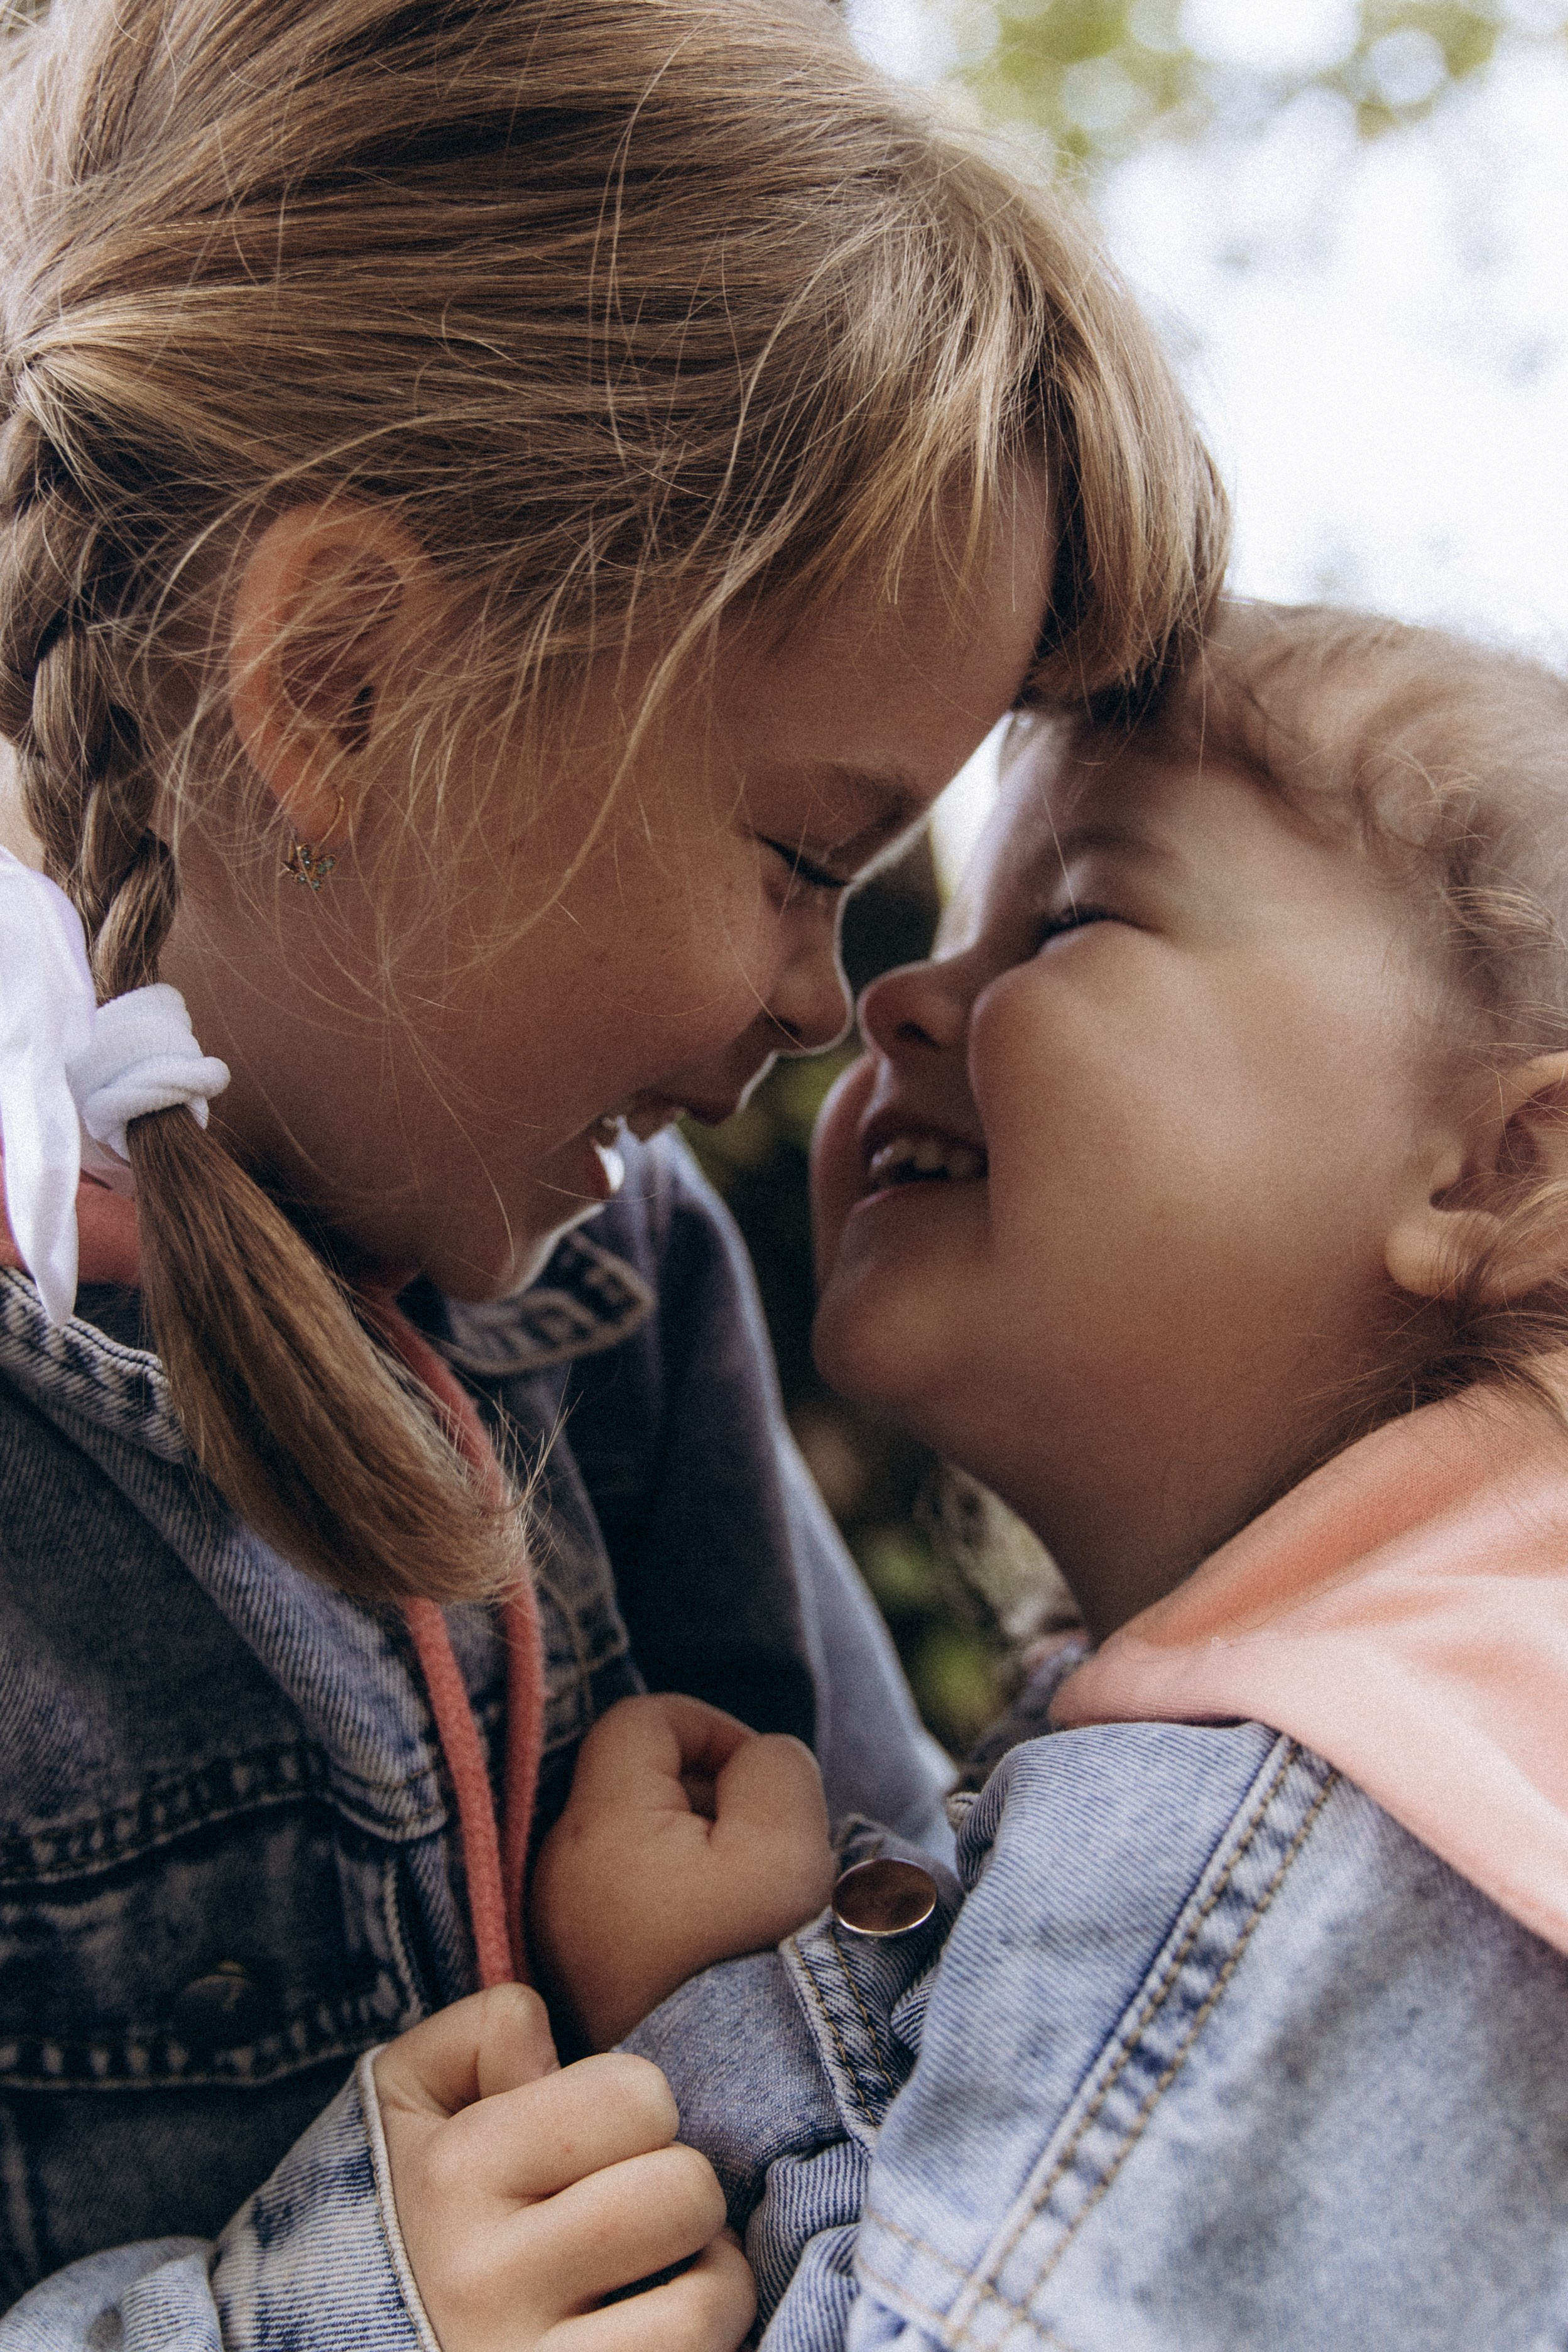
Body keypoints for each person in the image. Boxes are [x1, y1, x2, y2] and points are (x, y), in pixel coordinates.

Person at [0, 0, 1229, 2342]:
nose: (828, 1003)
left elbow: (916, 2019)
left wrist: (748, 1989)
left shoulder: (625, 1290)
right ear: (342, 688)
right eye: (808, 857)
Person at [538, 601, 1568, 2348]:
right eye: (955, 928)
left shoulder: (1321, 1810)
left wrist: (700, 2023)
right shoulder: (1472, 1731)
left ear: (1498, 1167)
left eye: (1076, 915)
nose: (891, 998)